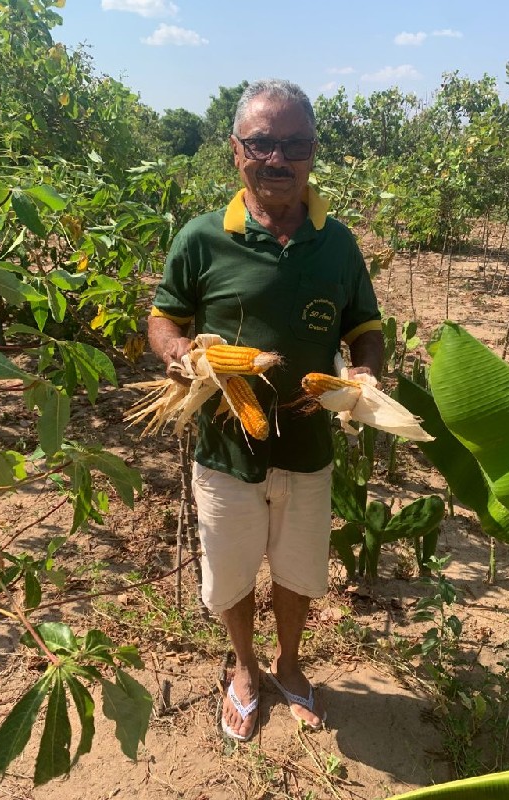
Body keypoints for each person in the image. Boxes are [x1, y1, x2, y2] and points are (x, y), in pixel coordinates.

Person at [147, 79, 384, 741]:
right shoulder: (202, 237)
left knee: (298, 573)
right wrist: (179, 355)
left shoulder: (337, 243)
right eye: (261, 144)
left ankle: (289, 662)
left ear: (313, 152)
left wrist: (365, 369)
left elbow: (365, 325)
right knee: (230, 573)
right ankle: (245, 668)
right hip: (226, 451)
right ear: (236, 151)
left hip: (307, 449)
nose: (277, 158)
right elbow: (164, 318)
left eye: (294, 144)